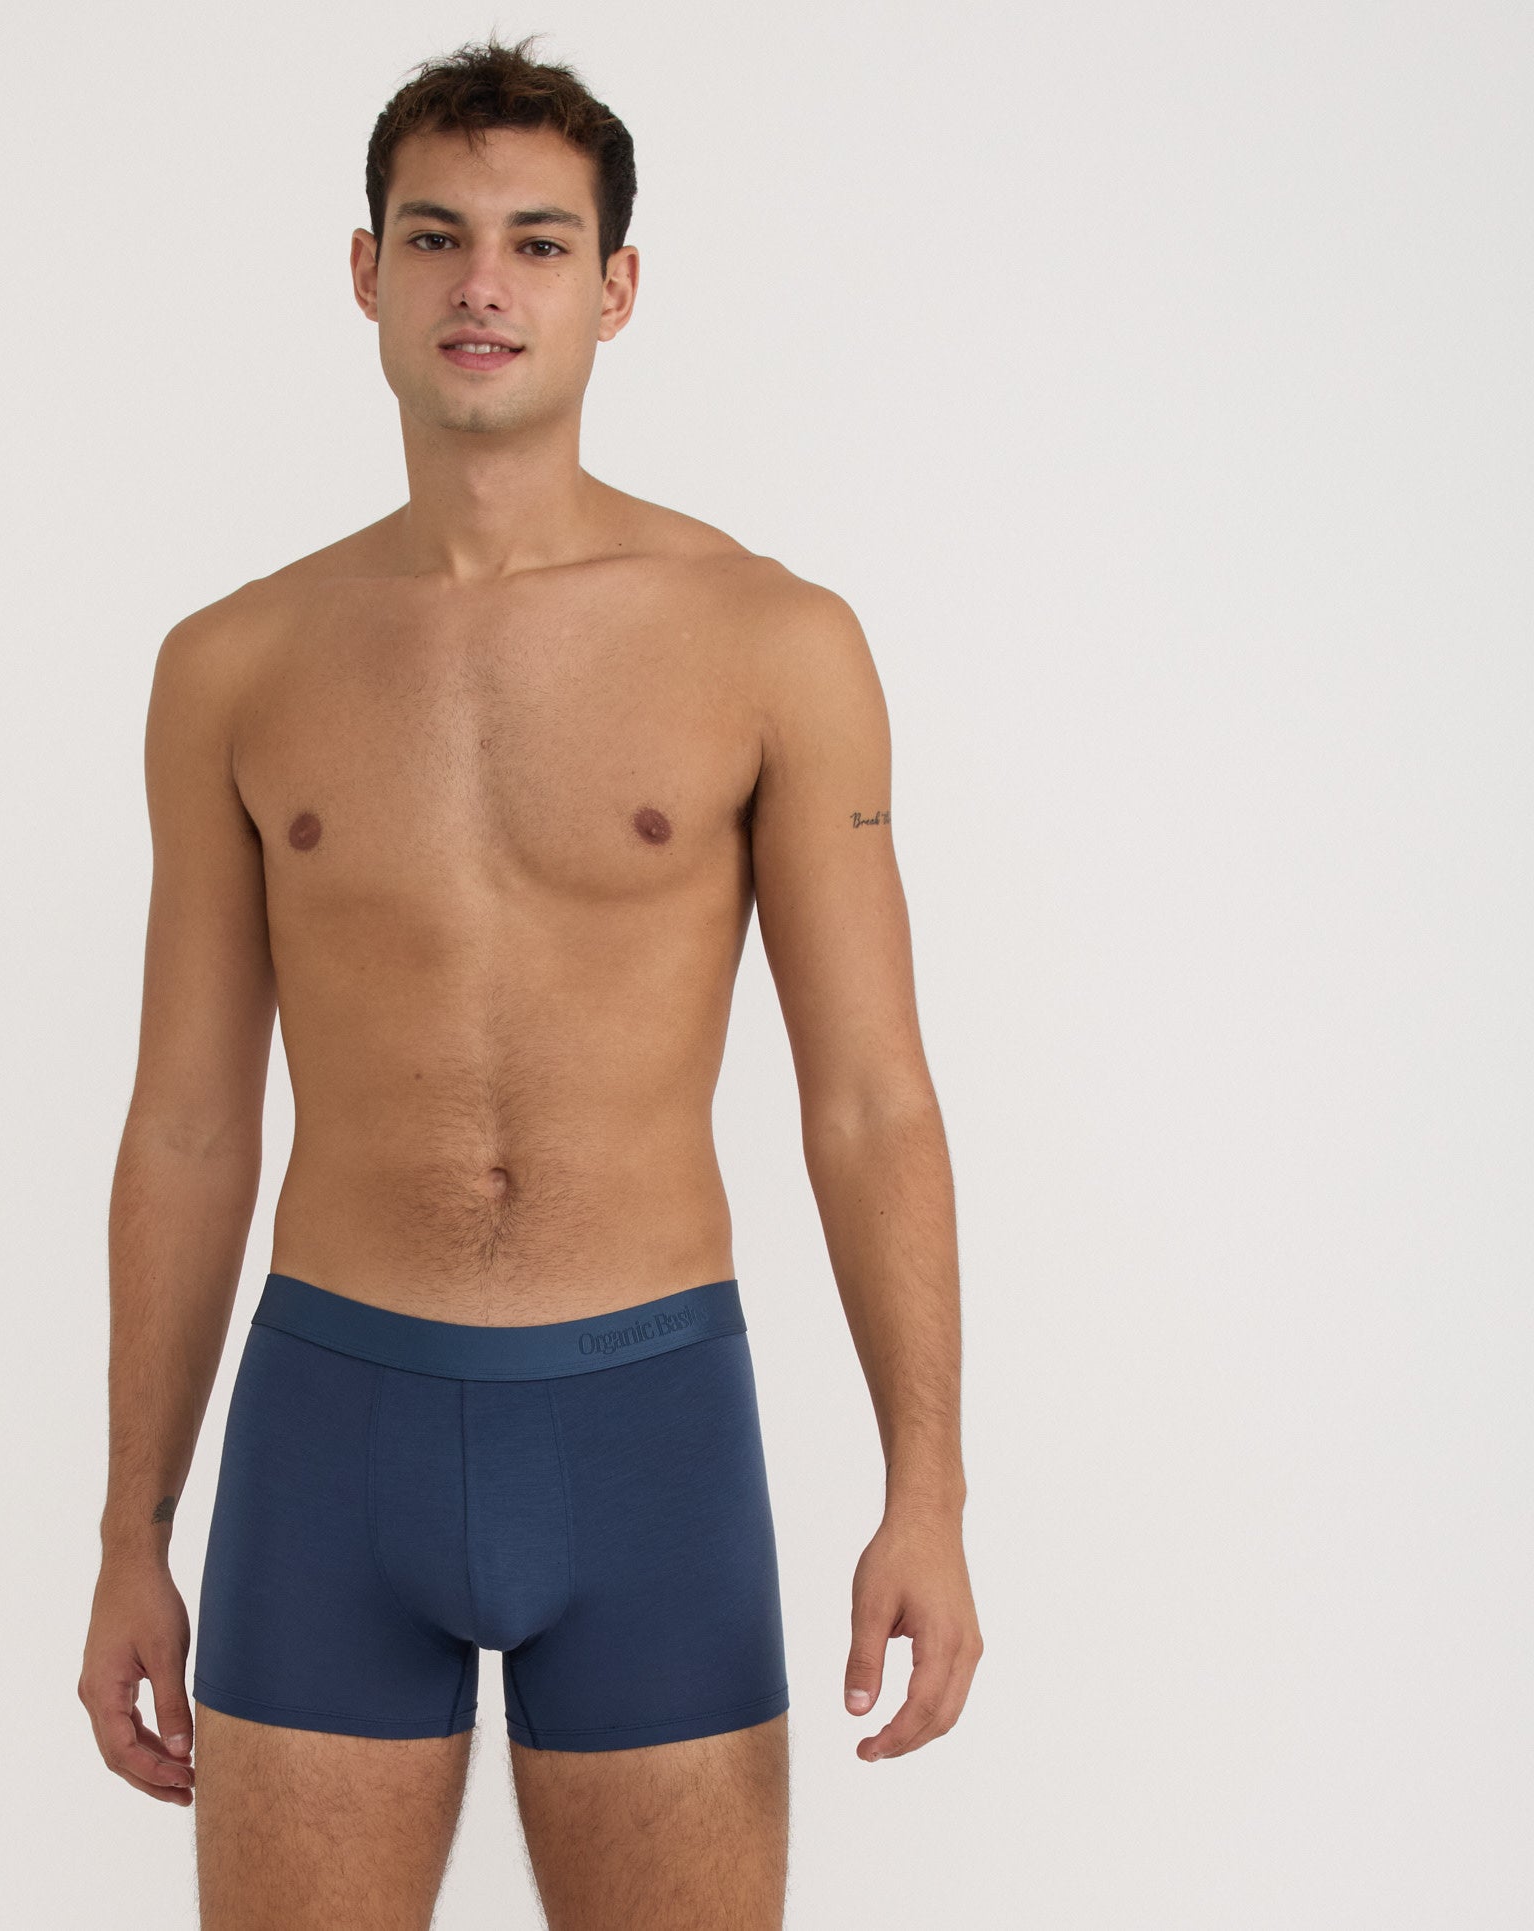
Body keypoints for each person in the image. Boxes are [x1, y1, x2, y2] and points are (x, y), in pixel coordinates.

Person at [78, 33, 981, 1929]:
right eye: (436, 237)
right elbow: (187, 1122)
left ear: (614, 287)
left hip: (648, 1425)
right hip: (332, 1426)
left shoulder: (774, 643)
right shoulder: (233, 666)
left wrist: (930, 1490)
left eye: (538, 243)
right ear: (367, 273)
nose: (481, 283)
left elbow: (870, 1097)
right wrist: (129, 1531)